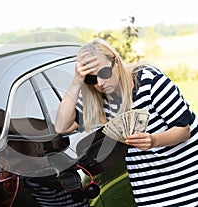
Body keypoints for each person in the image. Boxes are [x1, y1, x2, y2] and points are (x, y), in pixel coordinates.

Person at [55, 38, 198, 206]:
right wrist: (76, 82)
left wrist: (154, 140)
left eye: (103, 73)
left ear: (115, 62)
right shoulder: (97, 99)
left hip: (188, 182)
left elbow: (183, 130)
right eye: (91, 79)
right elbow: (61, 126)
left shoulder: (150, 81)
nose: (100, 83)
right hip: (148, 191)